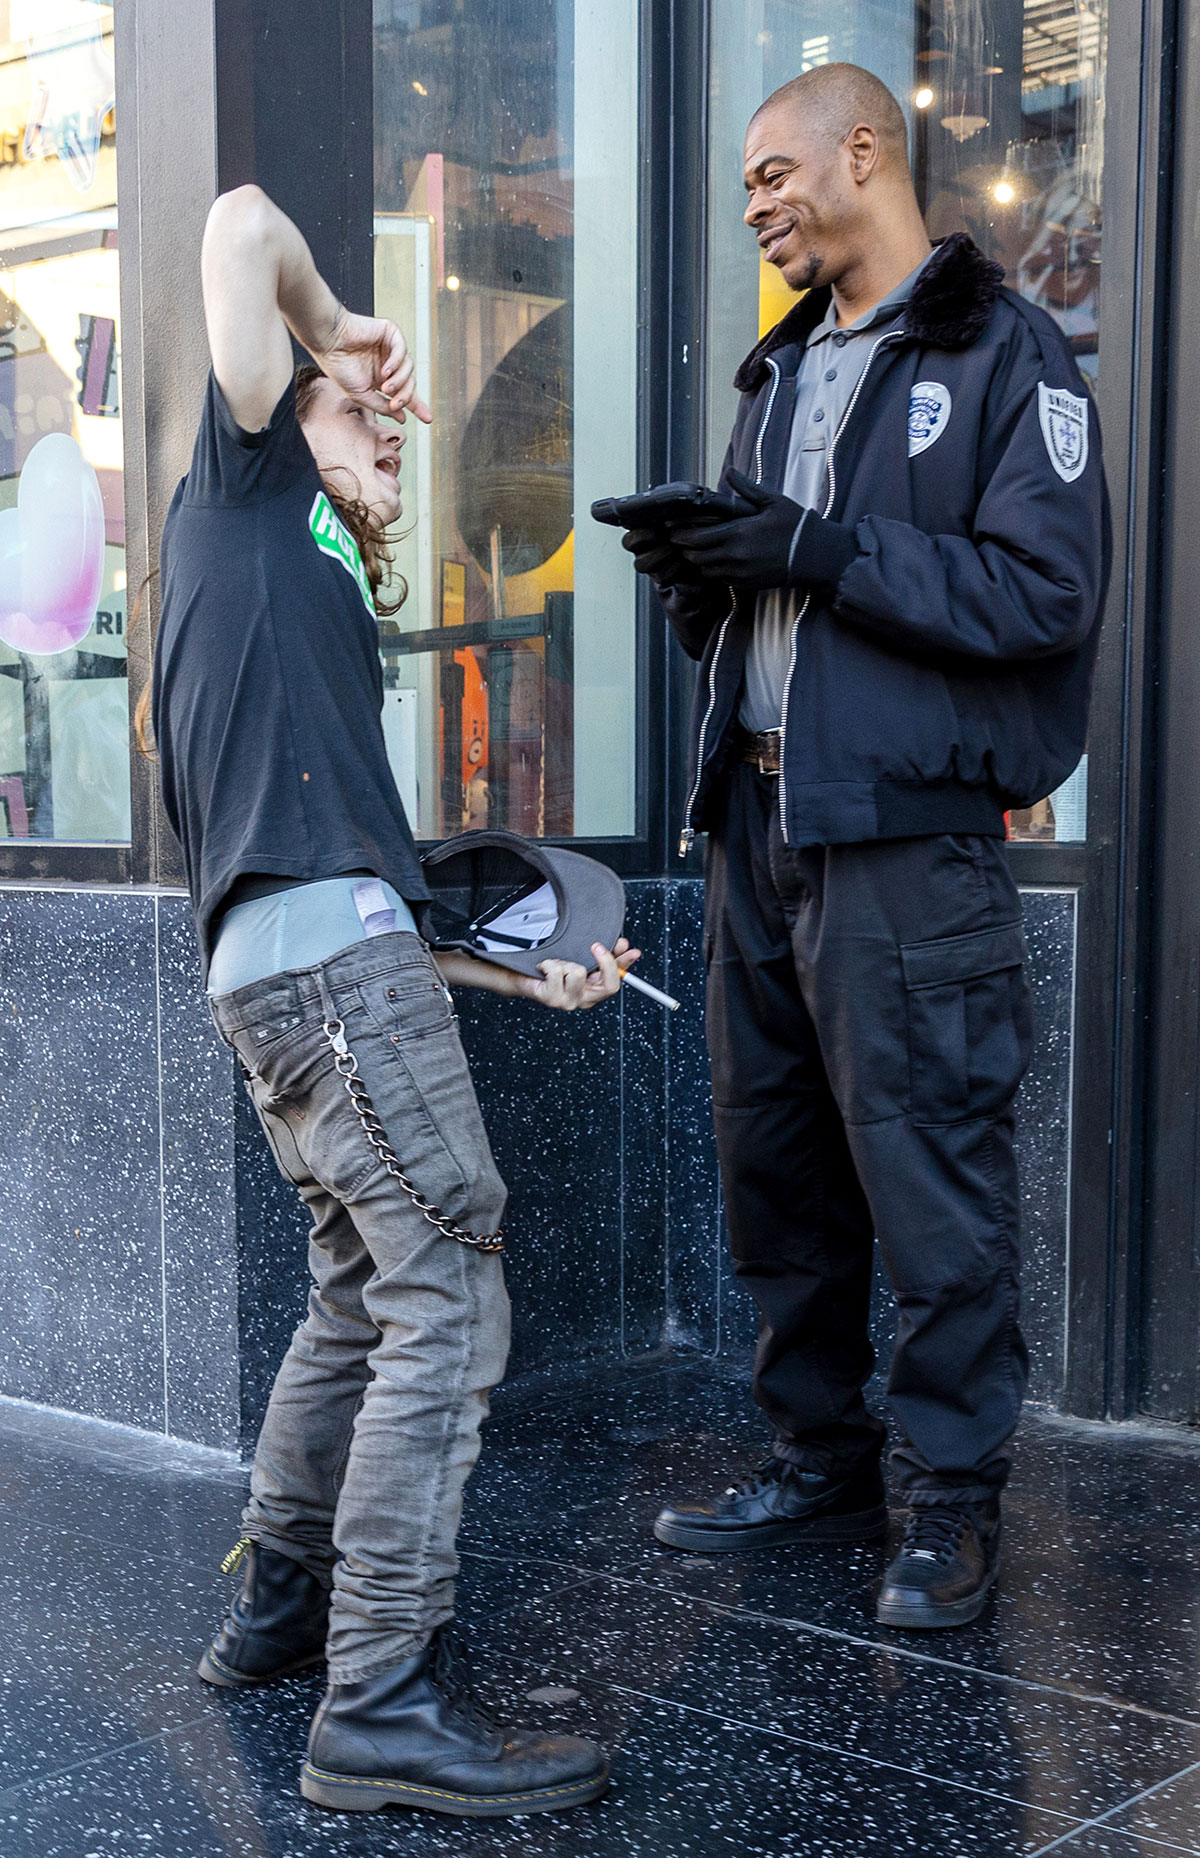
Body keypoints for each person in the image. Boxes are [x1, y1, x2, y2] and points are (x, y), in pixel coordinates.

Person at [150, 183, 638, 1816]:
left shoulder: (317, 614)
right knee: (452, 1283)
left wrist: (524, 970)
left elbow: (363, 894)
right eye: (366, 420)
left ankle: (283, 1608)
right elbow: (232, 225)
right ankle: (378, 1691)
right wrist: (335, 328)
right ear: (287, 415)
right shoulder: (239, 481)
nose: (386, 437)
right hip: (319, 975)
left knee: (363, 1283)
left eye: (384, 430)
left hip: (298, 975)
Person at [624, 65, 1109, 1628]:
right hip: (762, 826)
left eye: (771, 172)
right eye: (746, 184)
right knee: (779, 1168)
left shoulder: (1001, 351)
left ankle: (955, 1503)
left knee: (931, 1178)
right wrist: (710, 577)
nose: (755, 202)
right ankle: (821, 1461)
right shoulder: (779, 377)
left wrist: (824, 552)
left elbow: (1043, 595)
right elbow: (790, 605)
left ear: (862, 150)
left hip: (908, 845)